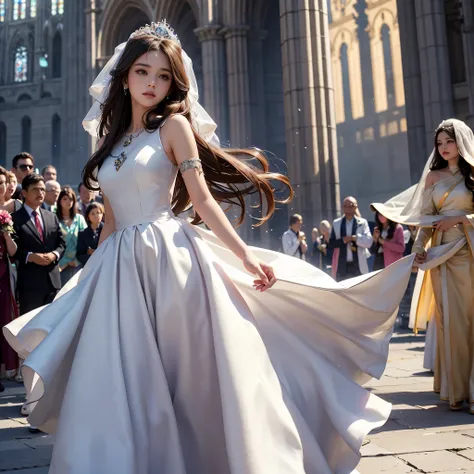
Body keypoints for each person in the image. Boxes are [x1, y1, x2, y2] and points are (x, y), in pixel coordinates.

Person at [3, 22, 415, 473]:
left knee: (189, 374)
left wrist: (245, 253)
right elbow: (113, 220)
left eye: (162, 76)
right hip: (119, 267)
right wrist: (89, 278)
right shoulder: (110, 141)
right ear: (124, 77)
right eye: (142, 72)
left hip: (170, 260)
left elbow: (200, 198)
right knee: (120, 375)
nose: (152, 84)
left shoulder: (175, 127)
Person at [372, 118, 474, 412]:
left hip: (470, 253)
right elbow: (425, 222)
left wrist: (460, 219)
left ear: (461, 142)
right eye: (439, 143)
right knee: (450, 322)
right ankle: (457, 391)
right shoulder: (432, 178)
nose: (443, 147)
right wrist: (418, 249)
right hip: (442, 256)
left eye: (449, 141)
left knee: (471, 320)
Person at [11, 174, 65, 313]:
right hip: (30, 285)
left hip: (53, 283)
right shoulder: (15, 219)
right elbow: (13, 250)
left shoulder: (51, 216)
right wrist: (30, 256)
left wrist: (54, 255)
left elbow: (61, 244)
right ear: (24, 193)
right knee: (30, 328)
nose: (40, 193)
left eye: (42, 189)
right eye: (35, 189)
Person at [0, 167, 19, 392]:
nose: (2, 187)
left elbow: (13, 251)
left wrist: (6, 230)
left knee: (4, 319)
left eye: (4, 183)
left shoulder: (9, 212)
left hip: (4, 272)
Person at [329, 196, 373, 280]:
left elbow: (369, 242)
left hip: (358, 266)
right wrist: (344, 240)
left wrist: (355, 238)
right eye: (346, 206)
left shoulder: (362, 223)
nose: (348, 208)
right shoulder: (336, 223)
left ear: (356, 207)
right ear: (342, 207)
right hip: (342, 267)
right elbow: (331, 243)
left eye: (351, 206)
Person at [56, 186, 87, 285]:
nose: (68, 201)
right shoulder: (54, 219)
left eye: (71, 199)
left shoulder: (79, 219)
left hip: (77, 263)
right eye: (65, 199)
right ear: (59, 201)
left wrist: (77, 260)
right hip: (60, 265)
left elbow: (85, 241)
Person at [76, 202, 104, 266]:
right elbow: (80, 255)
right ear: (88, 217)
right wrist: (91, 256)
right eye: (93, 214)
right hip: (89, 266)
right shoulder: (82, 234)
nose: (97, 215)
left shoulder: (108, 231)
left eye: (98, 213)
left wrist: (96, 252)